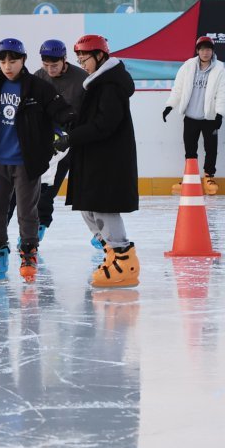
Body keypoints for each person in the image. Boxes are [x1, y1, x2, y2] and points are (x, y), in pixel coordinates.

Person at [0, 39, 72, 283]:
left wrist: (71, 130)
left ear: (23, 60)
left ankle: (29, 253)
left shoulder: (38, 87)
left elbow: (61, 111)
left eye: (13, 61)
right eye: (3, 61)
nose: (7, 66)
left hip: (26, 161)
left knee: (27, 210)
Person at [58, 34, 140, 288]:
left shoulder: (110, 86)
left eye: (85, 58)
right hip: (94, 158)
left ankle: (125, 263)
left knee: (104, 208)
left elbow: (105, 124)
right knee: (88, 207)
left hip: (108, 160)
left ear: (100, 56)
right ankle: (113, 255)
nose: (82, 63)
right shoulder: (97, 83)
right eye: (79, 58)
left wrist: (72, 138)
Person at [33, 39, 87, 237]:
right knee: (46, 189)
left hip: (78, 140)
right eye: (45, 65)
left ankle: (101, 233)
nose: (50, 70)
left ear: (64, 59)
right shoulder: (38, 77)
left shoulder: (82, 78)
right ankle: (37, 228)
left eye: (54, 65)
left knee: (89, 190)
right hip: (52, 145)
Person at [164, 35, 225, 195]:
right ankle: (189, 178)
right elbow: (178, 88)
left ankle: (208, 178)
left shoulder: (219, 69)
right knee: (190, 149)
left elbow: (223, 93)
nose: (206, 52)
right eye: (202, 49)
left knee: (211, 149)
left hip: (209, 118)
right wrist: (170, 105)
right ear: (197, 51)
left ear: (212, 51)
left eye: (209, 49)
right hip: (191, 116)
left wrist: (219, 114)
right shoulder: (188, 66)